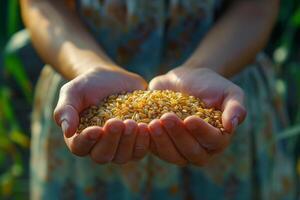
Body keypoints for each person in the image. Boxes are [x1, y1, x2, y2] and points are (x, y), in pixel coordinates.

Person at [21, 0, 296, 199]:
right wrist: (87, 67)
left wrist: (208, 66)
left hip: (220, 81)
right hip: (85, 88)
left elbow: (257, 6)